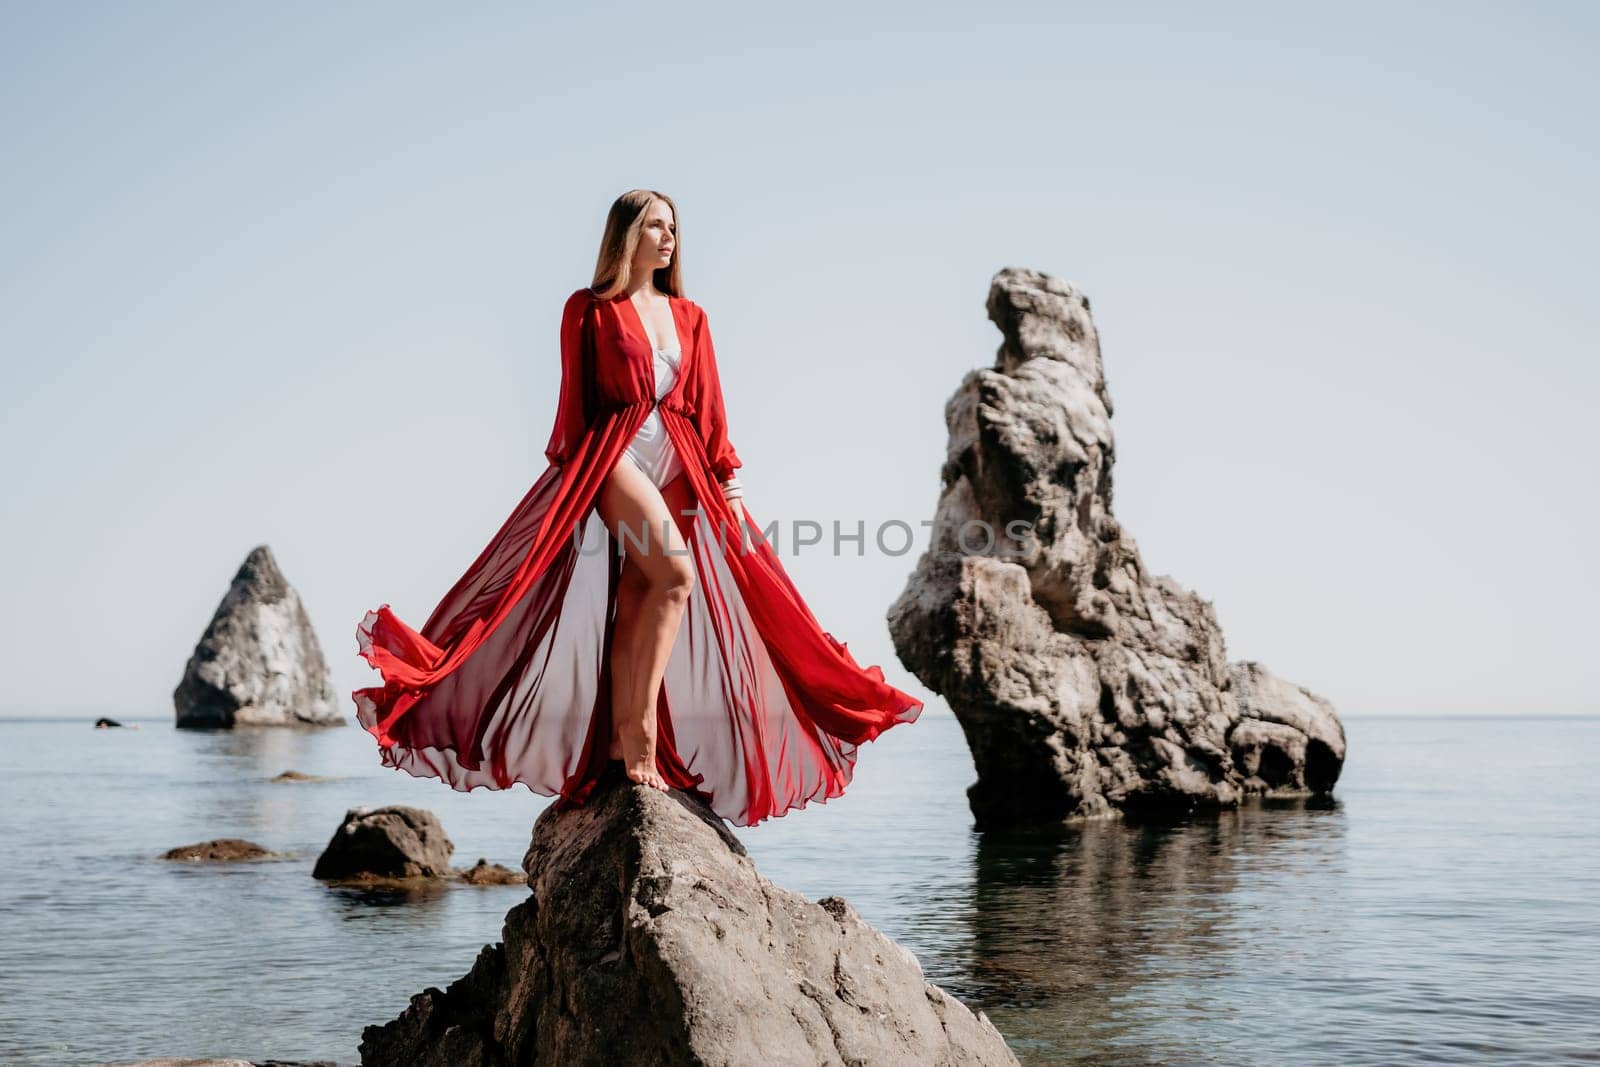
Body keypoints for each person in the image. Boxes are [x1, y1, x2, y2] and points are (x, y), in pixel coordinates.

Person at [353, 189, 922, 827]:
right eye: (655, 225)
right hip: (614, 456)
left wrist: (727, 477)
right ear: (626, 235)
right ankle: (642, 736)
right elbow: (576, 403)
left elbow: (707, 404)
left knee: (644, 593)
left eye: (673, 226)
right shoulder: (589, 310)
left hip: (681, 459)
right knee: (676, 577)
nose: (668, 236)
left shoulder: (691, 315)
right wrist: (573, 475)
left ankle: (623, 740)